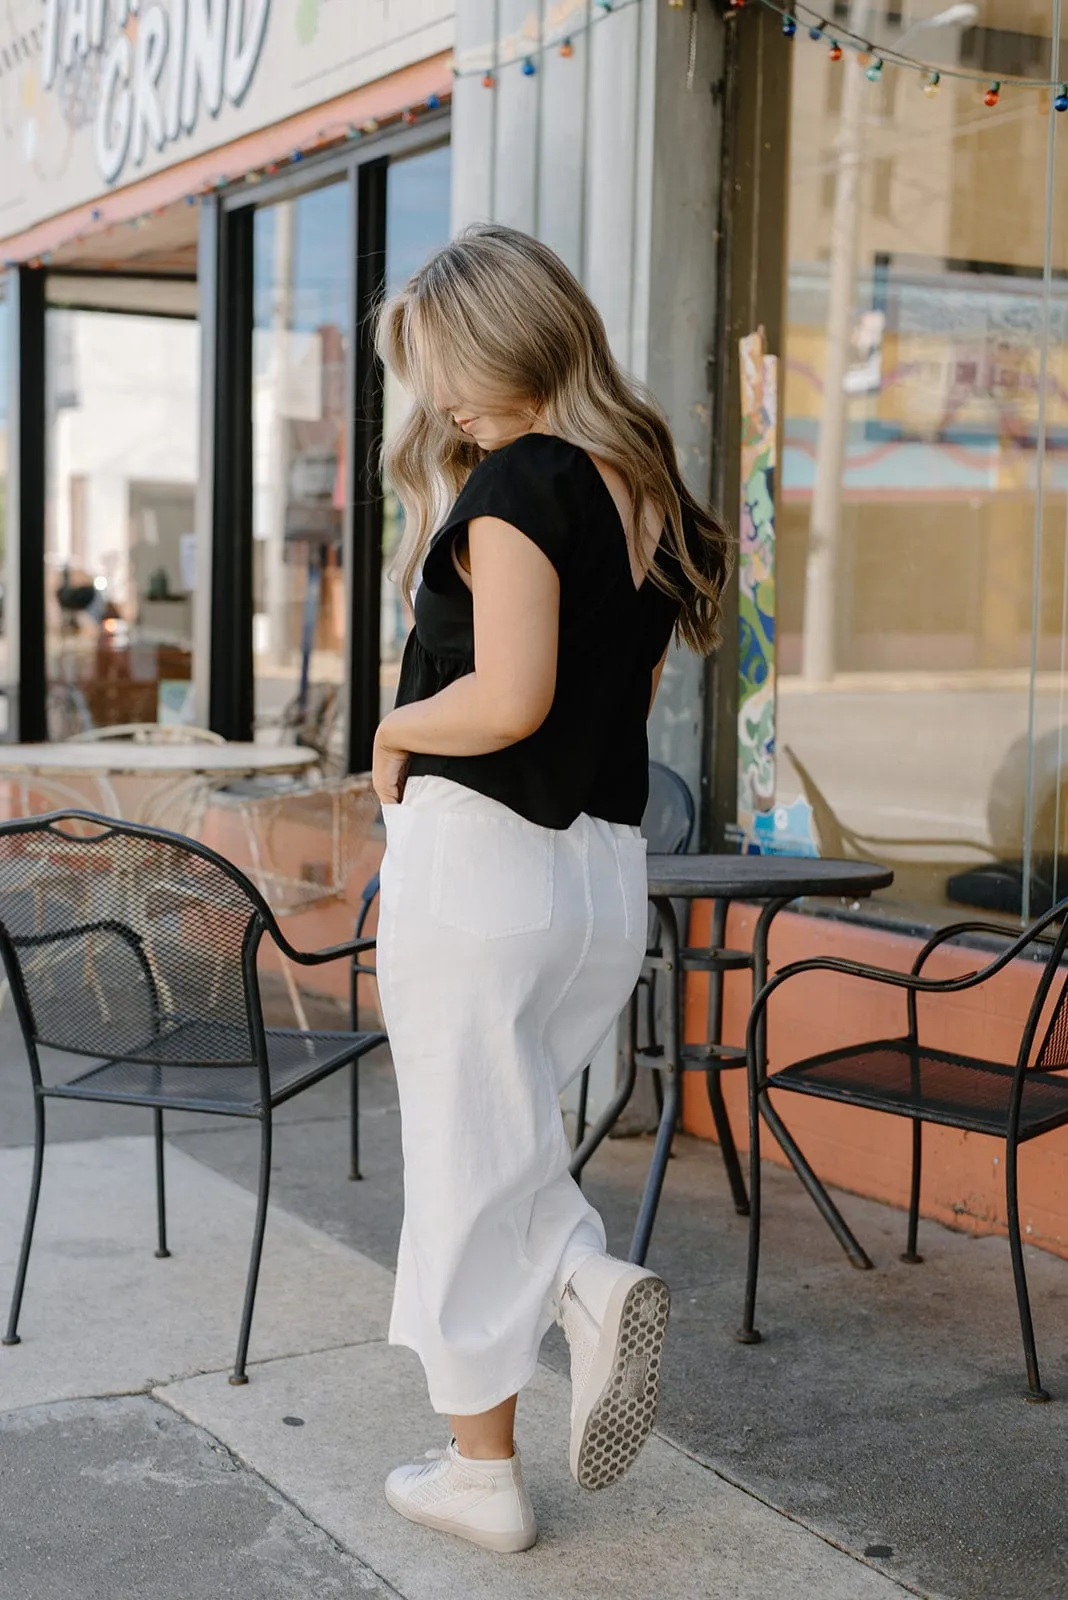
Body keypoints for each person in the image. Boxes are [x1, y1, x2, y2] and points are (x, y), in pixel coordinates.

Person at [372, 223, 732, 1554]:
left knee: (467, 1160)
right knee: (507, 1140)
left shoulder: (523, 480)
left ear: (517, 333)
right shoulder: (646, 485)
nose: (441, 398)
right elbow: (615, 705)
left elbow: (510, 698)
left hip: (480, 862)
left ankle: (498, 1444)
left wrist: (395, 731)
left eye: (450, 363)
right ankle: (557, 1297)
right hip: (595, 879)